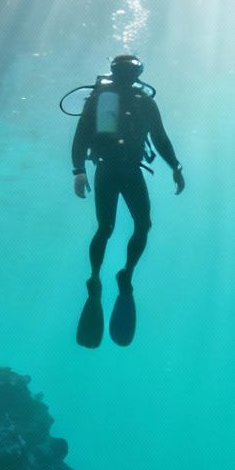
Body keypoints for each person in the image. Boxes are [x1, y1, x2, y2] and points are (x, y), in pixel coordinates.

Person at [70, 53, 183, 347]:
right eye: (123, 71)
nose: (126, 76)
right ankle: (103, 279)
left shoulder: (142, 103)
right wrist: (79, 171)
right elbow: (82, 137)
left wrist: (176, 166)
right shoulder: (107, 101)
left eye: (129, 71)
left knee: (135, 225)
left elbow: (160, 139)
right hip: (113, 169)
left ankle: (117, 276)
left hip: (123, 170)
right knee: (113, 227)